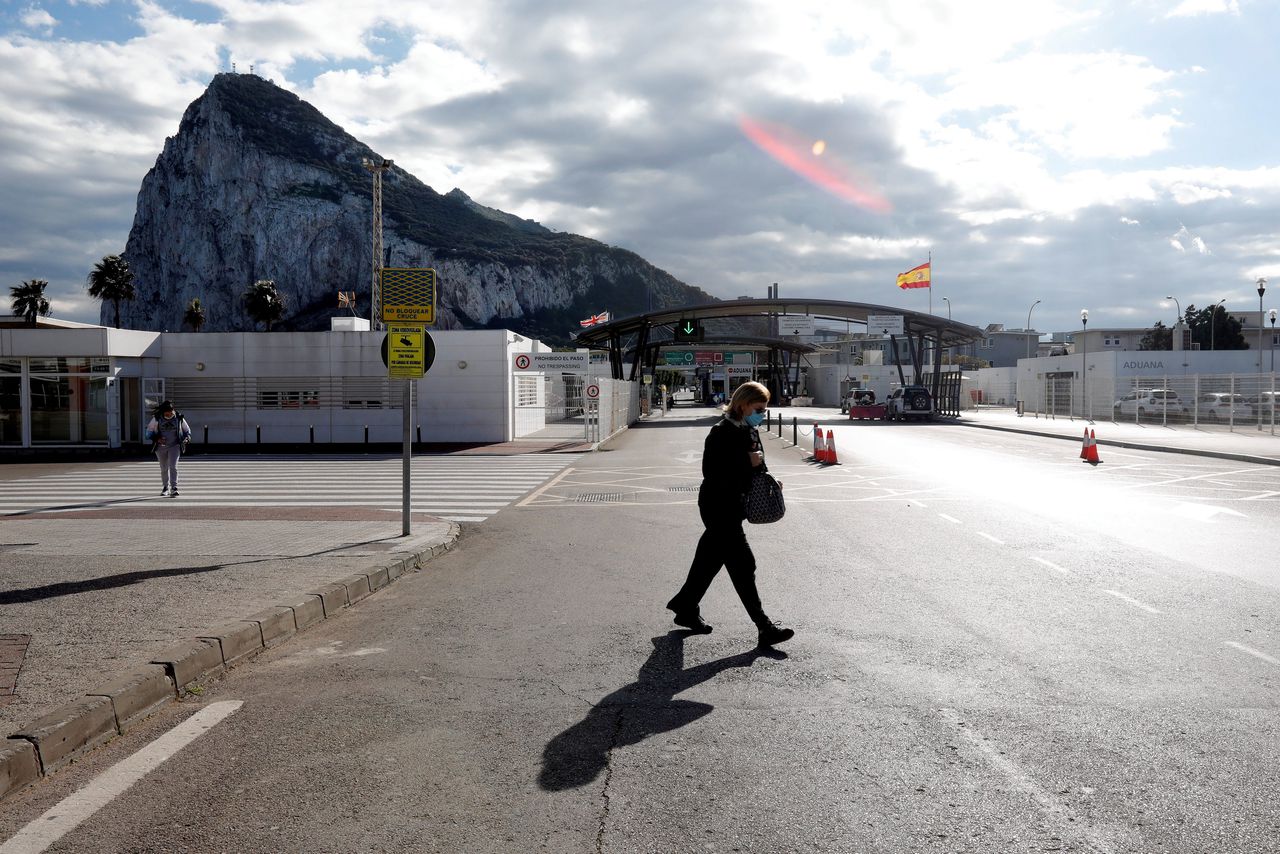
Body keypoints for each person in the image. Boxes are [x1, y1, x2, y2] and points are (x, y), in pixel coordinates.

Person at [666, 381, 794, 647]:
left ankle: (686, 606)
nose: (763, 413)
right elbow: (712, 473)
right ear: (743, 404)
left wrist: (769, 479)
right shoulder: (720, 432)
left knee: (709, 561)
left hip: (735, 507)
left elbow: (758, 464)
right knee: (744, 565)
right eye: (759, 408)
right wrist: (747, 464)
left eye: (766, 409)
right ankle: (764, 627)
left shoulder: (749, 430)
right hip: (717, 506)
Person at [145, 401, 191, 497]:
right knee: (164, 468)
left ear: (173, 410)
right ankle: (165, 487)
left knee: (173, 466)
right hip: (160, 448)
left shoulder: (179, 418)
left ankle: (174, 487)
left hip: (175, 446)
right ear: (162, 412)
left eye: (170, 412)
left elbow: (187, 430)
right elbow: (148, 433)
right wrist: (157, 439)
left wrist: (187, 438)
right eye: (166, 413)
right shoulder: (157, 418)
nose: (169, 414)